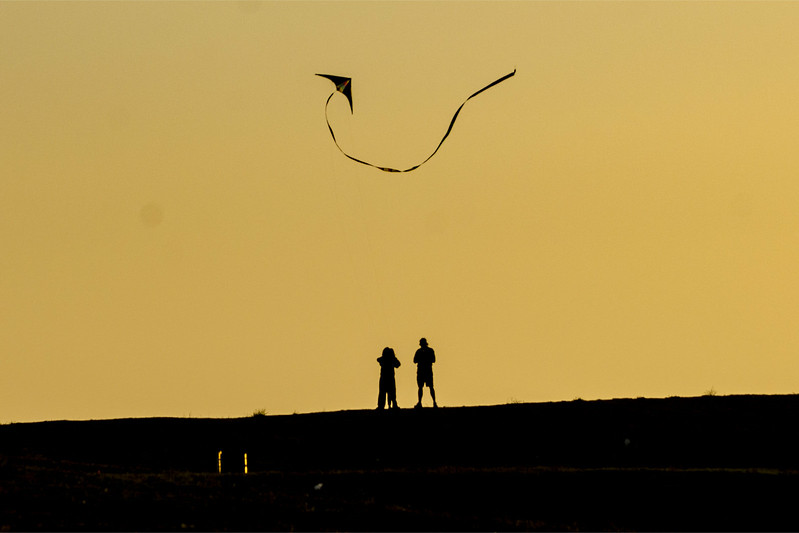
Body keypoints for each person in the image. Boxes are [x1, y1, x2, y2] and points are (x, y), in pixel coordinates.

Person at [413, 338, 438, 408]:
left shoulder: (419, 351)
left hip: (423, 371)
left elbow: (415, 360)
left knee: (423, 387)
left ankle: (422, 402)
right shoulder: (430, 350)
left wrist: (422, 360)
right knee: (428, 387)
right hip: (426, 371)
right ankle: (433, 402)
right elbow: (415, 360)